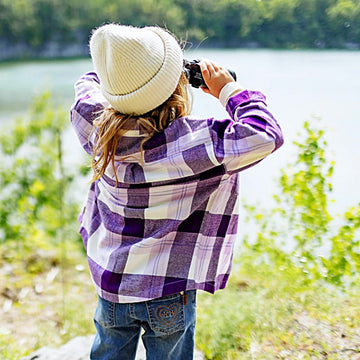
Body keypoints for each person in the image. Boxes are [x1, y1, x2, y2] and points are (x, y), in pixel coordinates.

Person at [70, 23, 284, 360]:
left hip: (112, 285)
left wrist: (134, 69)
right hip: (167, 291)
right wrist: (227, 89)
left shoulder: (94, 124)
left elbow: (89, 81)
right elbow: (264, 134)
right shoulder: (194, 145)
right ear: (176, 88)